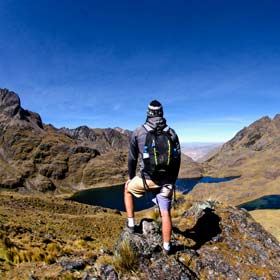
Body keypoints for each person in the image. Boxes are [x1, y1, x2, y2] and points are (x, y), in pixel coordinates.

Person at [124, 100, 181, 254]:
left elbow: (132, 159)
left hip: (147, 179)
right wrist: (172, 181)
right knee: (165, 214)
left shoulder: (138, 132)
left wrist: (130, 177)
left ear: (148, 113)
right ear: (162, 113)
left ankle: (131, 224)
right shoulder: (172, 133)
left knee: (127, 190)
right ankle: (167, 247)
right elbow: (177, 160)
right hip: (167, 182)